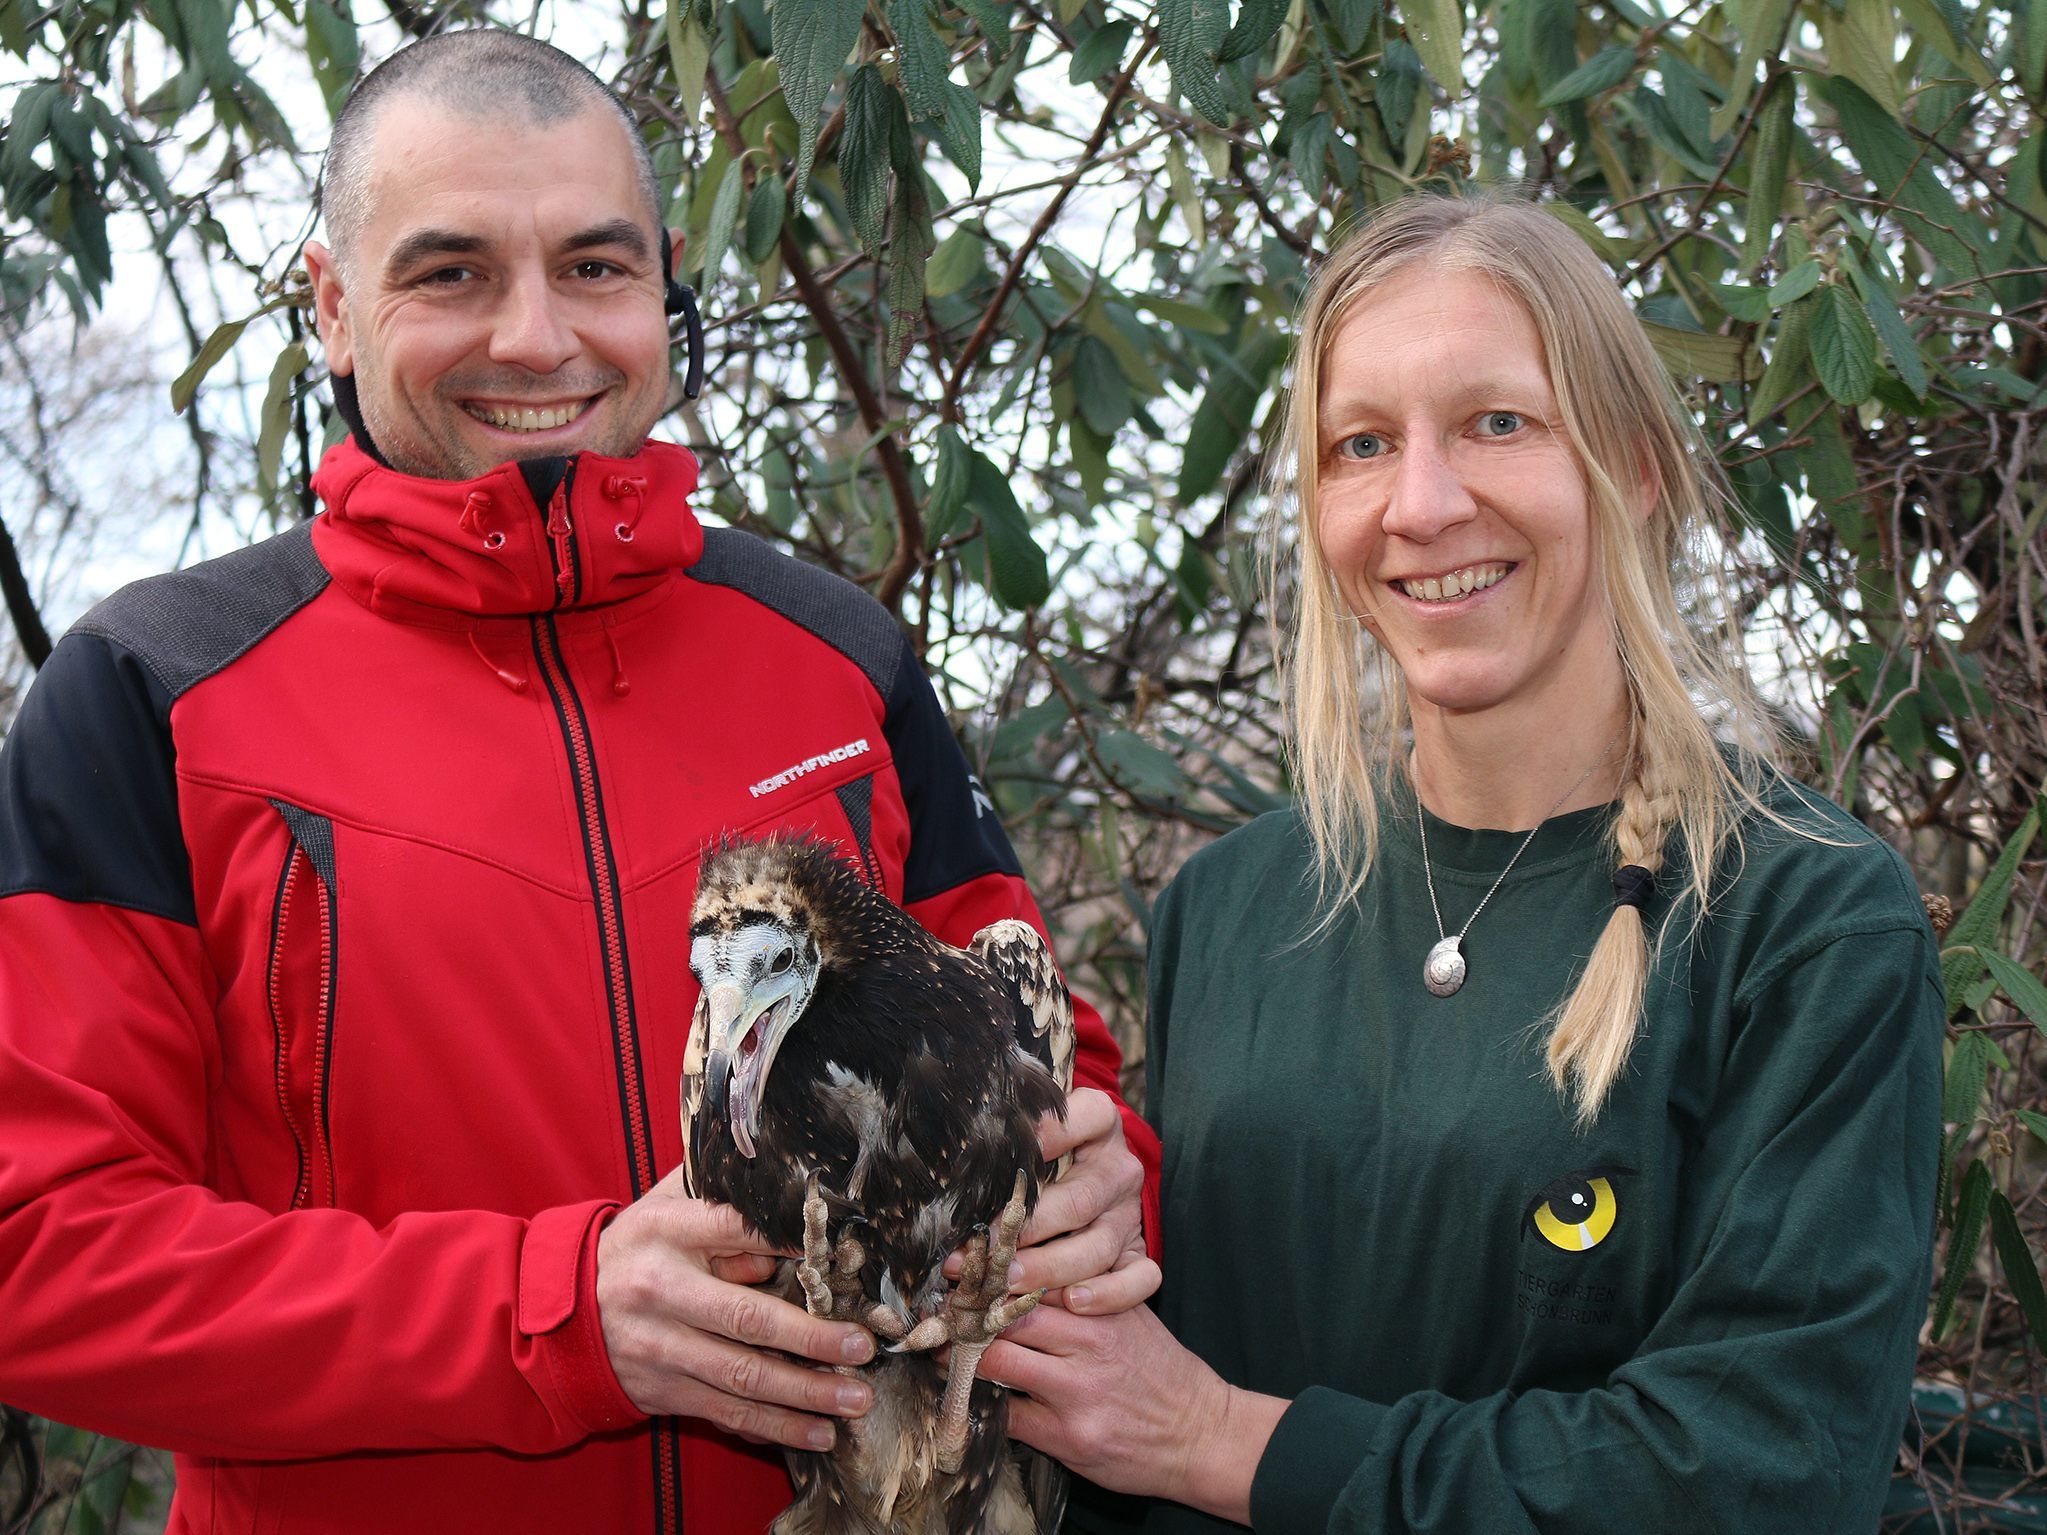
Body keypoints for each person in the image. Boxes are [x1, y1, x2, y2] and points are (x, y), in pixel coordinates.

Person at [0, 29, 1160, 1535]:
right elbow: (39, 1250)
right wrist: (552, 1314)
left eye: (595, 267)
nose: (538, 337)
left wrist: (1100, 1184)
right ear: (333, 306)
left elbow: (1038, 1049)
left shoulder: (838, 661)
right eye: (452, 273)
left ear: (665, 287)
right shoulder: (154, 693)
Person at [981, 194, 1943, 1533]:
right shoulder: (1231, 906)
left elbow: (1759, 1471)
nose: (1422, 505)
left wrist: (1217, 1440)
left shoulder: (1803, 922)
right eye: (1363, 444)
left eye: (1498, 422)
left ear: (1635, 465)